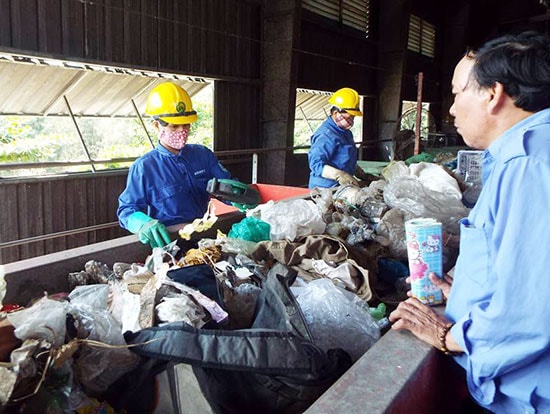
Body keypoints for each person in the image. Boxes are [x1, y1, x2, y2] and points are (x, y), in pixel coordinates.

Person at [388, 31, 550, 413]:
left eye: (458, 93)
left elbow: (530, 312)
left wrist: (445, 336)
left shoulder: (528, 166)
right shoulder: (528, 155)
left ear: (492, 95)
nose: (451, 110)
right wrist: (462, 292)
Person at [117, 82, 232, 248]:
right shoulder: (144, 167)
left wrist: (240, 198)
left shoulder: (203, 155)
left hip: (205, 235)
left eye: (186, 125)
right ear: (157, 125)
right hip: (170, 241)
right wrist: (143, 223)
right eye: (175, 126)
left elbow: (227, 187)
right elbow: (126, 210)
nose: (182, 131)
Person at [308, 87, 368, 189]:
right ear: (336, 113)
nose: (351, 120)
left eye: (353, 117)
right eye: (349, 117)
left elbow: (344, 160)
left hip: (342, 186)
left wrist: (361, 174)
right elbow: (316, 164)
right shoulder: (326, 135)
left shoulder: (346, 133)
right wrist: (339, 175)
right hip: (324, 189)